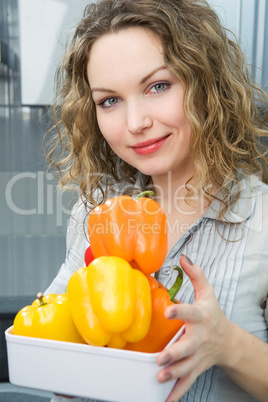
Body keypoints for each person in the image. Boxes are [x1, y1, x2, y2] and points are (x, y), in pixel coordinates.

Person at [44, 0, 268, 401]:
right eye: (109, 100)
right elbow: (55, 345)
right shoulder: (93, 214)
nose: (135, 123)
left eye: (158, 86)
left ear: (206, 83)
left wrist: (227, 344)